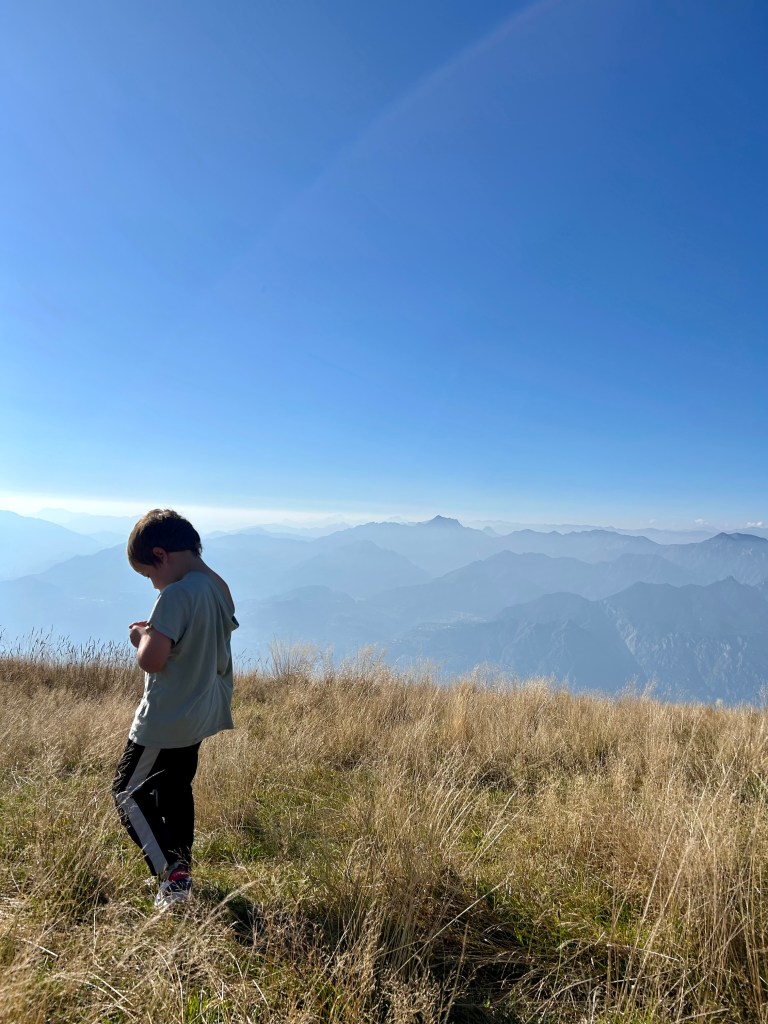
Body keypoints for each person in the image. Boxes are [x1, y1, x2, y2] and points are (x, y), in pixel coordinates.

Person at [112, 508, 238, 910]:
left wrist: (140, 635)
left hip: (165, 719)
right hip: (200, 713)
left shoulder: (175, 595)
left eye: (148, 574)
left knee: (127, 793)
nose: (152, 584)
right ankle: (182, 873)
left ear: (161, 555)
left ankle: (171, 873)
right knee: (175, 791)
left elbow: (152, 660)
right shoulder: (215, 588)